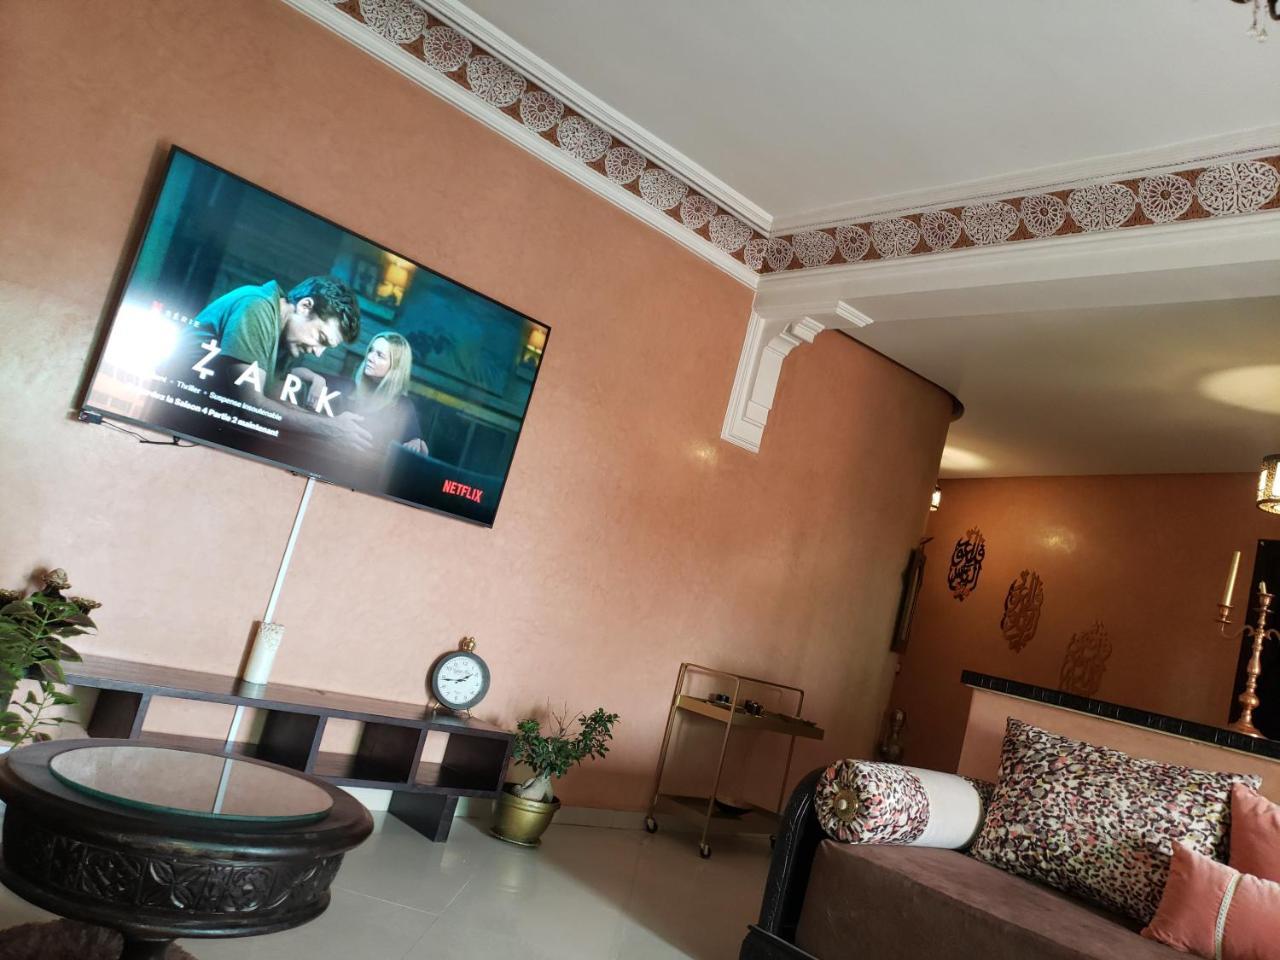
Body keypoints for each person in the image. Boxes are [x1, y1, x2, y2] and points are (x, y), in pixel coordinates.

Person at [178, 276, 372, 451]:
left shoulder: (287, 336)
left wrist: (334, 424)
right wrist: (329, 428)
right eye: (321, 338)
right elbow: (251, 405)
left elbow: (272, 397)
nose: (318, 353)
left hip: (199, 425)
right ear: (305, 306)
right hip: (178, 414)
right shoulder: (257, 306)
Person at [292, 332, 428, 456]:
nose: (370, 357)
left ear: (395, 367)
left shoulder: (402, 406)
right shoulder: (346, 387)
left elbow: (420, 449)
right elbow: (294, 371)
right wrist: (317, 379)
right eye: (371, 350)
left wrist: (417, 444)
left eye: (380, 355)